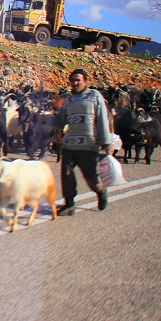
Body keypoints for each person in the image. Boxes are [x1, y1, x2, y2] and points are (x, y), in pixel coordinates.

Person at [57, 69, 111, 215]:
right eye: (72, 80)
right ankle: (69, 204)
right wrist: (43, 119)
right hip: (70, 143)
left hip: (88, 143)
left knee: (91, 176)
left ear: (85, 81)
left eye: (77, 80)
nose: (74, 83)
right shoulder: (68, 99)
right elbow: (61, 120)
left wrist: (106, 142)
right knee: (66, 174)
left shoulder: (94, 96)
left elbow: (102, 119)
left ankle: (100, 191)